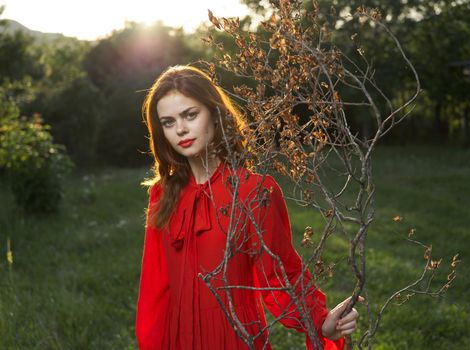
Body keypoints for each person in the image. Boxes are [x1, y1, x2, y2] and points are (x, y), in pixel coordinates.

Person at [135, 65, 359, 350]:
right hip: (176, 340)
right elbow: (155, 287)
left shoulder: (255, 191)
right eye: (168, 122)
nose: (180, 129)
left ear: (215, 115)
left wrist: (320, 321)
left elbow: (281, 274)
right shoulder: (162, 193)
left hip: (235, 338)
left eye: (190, 115)